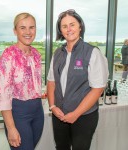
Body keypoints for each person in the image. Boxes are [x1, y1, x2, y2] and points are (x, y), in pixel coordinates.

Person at [47, 9, 109, 150]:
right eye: (64, 26)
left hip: (84, 116)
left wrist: (75, 114)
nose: (69, 29)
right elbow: (51, 82)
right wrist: (53, 107)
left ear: (80, 26)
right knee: (61, 147)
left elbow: (98, 88)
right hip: (59, 115)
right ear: (60, 31)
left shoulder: (92, 52)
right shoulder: (57, 53)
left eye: (72, 24)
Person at [0, 12, 44, 150]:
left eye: (31, 27)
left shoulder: (36, 54)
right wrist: (11, 128)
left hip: (38, 111)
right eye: (22, 28)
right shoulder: (8, 55)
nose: (28, 32)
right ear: (15, 31)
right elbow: (2, 95)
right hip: (18, 113)